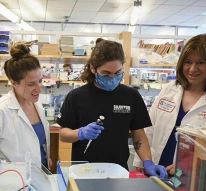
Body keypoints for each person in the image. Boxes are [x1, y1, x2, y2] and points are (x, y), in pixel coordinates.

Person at [56, 38, 167, 178]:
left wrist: (148, 162)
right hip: (83, 173)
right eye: (106, 74)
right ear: (92, 68)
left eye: (118, 73)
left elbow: (138, 135)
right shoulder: (76, 96)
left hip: (118, 172)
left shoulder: (131, 96)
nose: (113, 78)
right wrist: (80, 133)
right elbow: (63, 134)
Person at [133, 34, 206, 175]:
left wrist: (188, 166)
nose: (192, 69)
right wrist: (143, 161)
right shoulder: (169, 89)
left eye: (201, 62)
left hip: (195, 177)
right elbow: (150, 129)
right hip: (156, 171)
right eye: (188, 62)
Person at [0, 42, 51, 174]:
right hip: (12, 182)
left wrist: (43, 157)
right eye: (31, 84)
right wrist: (6, 170)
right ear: (13, 82)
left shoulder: (36, 104)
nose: (39, 88)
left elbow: (35, 142)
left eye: (40, 81)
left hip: (40, 176)